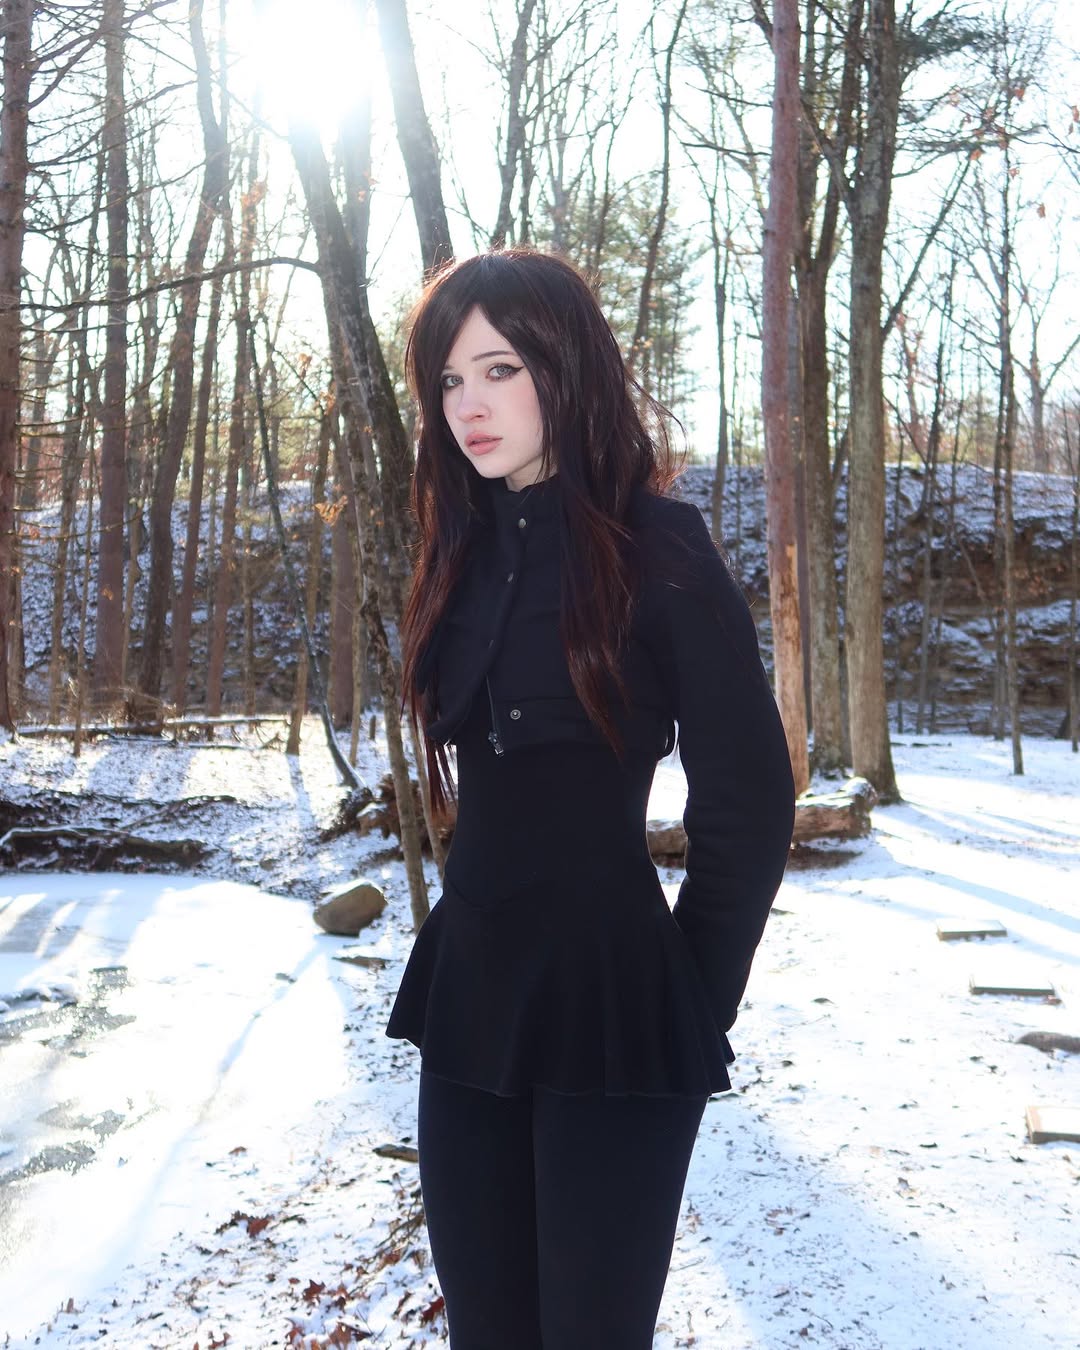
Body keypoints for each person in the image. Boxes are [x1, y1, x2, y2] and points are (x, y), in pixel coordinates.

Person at [385, 248, 795, 1350]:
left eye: (499, 370)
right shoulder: (459, 550)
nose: (468, 406)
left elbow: (750, 803)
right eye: (449, 381)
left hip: (613, 1010)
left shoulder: (657, 550)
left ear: (567, 369)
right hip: (472, 998)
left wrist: (690, 998)